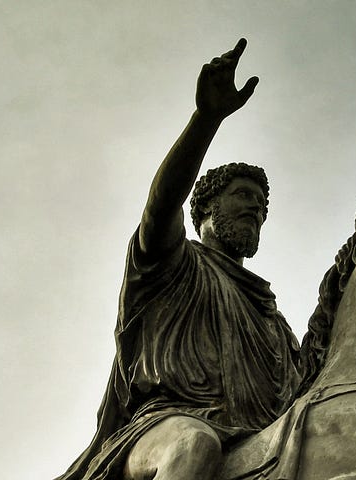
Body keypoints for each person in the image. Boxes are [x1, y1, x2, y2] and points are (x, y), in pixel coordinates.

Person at [58, 38, 303, 480]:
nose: (256, 209)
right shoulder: (169, 264)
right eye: (243, 196)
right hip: (165, 426)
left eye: (263, 207)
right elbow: (161, 204)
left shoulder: (274, 323)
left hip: (260, 440)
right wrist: (206, 120)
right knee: (194, 446)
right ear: (205, 208)